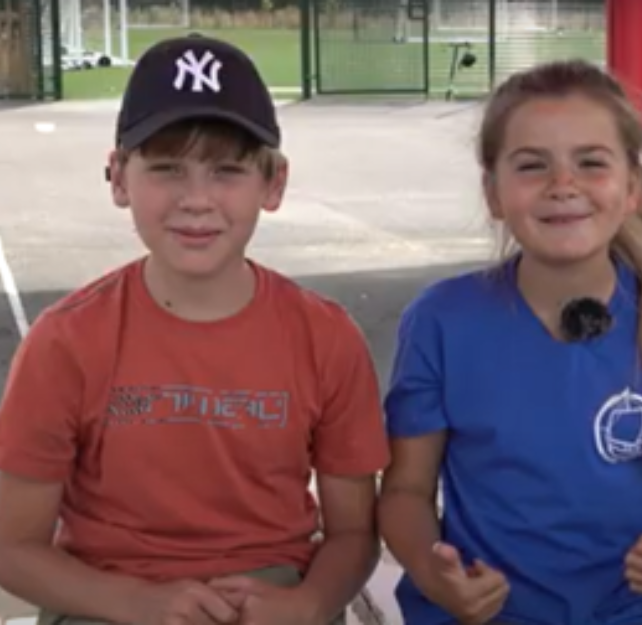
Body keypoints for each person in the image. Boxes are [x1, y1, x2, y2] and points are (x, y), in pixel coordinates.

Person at [0, 34, 389, 625]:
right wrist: (139, 603)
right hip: (107, 599)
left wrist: (307, 604)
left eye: (227, 170)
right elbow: (13, 546)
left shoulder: (326, 339)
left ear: (274, 183)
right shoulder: (65, 341)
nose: (197, 200)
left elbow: (355, 532)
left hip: (276, 596)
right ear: (119, 178)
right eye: (167, 168)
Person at [377, 59, 642, 625]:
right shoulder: (441, 321)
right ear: (493, 192)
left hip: (633, 612)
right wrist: (433, 572)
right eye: (531, 165)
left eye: (591, 163)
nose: (562, 185)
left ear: (632, 188)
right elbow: (404, 492)